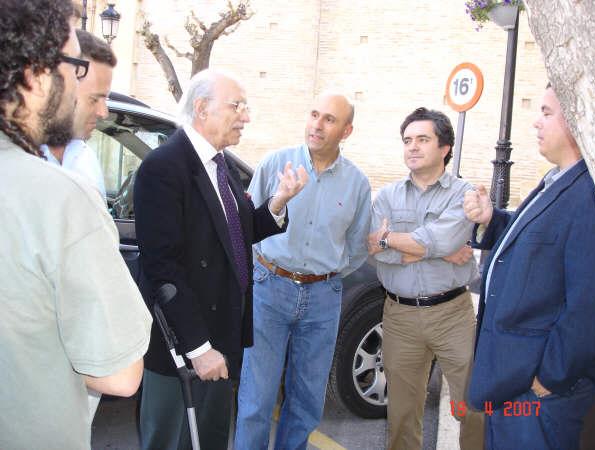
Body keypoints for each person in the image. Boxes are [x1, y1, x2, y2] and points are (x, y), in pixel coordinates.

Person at [0, 1, 152, 449]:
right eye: (73, 65)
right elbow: (120, 374)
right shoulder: (58, 196)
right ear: (34, 73)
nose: (76, 84)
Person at [134, 69, 308, 450]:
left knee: (209, 441)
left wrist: (278, 202)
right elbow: (163, 267)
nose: (245, 116)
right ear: (201, 109)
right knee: (169, 441)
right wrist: (198, 348)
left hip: (222, 340)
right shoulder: (163, 168)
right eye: (237, 106)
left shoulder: (221, 165)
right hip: (184, 348)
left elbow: (235, 236)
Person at [465, 85, 595, 450]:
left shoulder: (588, 194)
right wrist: (491, 218)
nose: (535, 122)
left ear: (575, 121)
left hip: (540, 393)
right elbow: (534, 241)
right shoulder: (557, 179)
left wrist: (550, 378)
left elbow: (589, 304)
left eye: (546, 112)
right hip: (511, 380)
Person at [235, 92, 372, 450]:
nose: (317, 124)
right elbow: (247, 227)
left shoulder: (357, 184)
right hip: (269, 289)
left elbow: (357, 247)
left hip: (323, 299)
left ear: (347, 131)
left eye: (329, 119)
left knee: (307, 402)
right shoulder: (274, 163)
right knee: (256, 399)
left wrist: (327, 275)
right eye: (314, 114)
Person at [368, 107, 484, 450]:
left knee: (472, 404)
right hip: (400, 316)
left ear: (444, 147)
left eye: (423, 139)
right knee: (402, 413)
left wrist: (394, 240)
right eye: (407, 140)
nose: (413, 147)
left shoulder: (463, 194)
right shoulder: (387, 195)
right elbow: (374, 248)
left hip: (452, 316)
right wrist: (433, 247)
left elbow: (439, 240)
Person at [41, 29, 116, 200]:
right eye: (94, 99)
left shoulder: (84, 157)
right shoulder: (14, 162)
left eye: (105, 99)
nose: (103, 113)